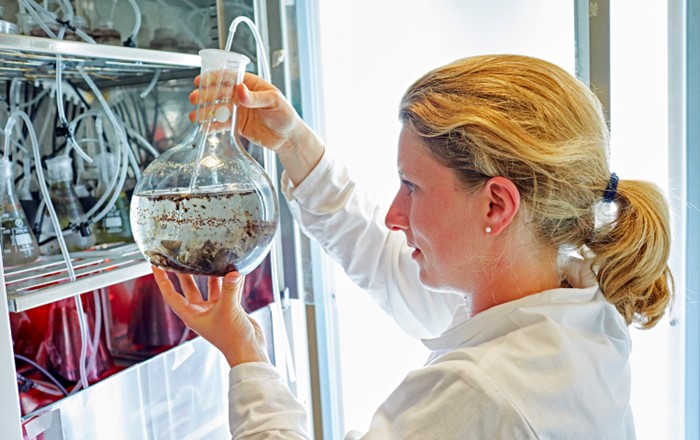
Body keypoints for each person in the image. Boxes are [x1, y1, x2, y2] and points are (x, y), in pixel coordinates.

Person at [152, 54, 674, 439]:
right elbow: (388, 266)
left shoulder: (481, 394)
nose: (393, 213)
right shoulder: (576, 301)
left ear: (495, 205)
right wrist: (292, 142)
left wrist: (246, 355)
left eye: (412, 186)